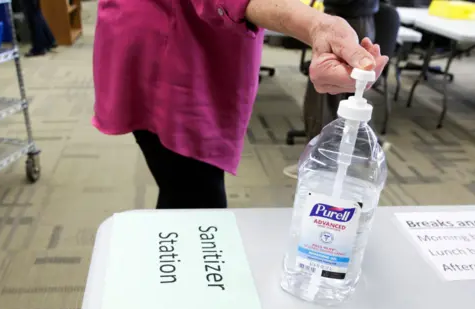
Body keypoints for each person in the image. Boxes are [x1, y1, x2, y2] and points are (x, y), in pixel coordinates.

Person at [93, 0, 388, 209]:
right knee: (197, 197)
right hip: (174, 47)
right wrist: (317, 25)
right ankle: (179, 289)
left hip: (163, 31)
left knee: (182, 189)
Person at [304, 0, 381, 139]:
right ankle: (326, 143)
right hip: (358, 15)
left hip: (350, 15)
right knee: (341, 86)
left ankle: (322, 143)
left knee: (330, 88)